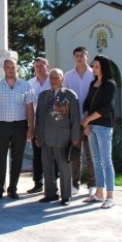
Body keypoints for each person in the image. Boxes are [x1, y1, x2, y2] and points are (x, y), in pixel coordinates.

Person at [0, 58, 35, 201]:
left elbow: (30, 108)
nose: (10, 69)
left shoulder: (25, 85)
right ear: (4, 68)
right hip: (3, 125)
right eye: (8, 67)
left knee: (17, 158)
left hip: (20, 125)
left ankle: (13, 189)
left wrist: (31, 127)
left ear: (17, 68)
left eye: (13, 67)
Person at [34, 69, 81, 206]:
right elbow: (38, 118)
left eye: (57, 77)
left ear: (62, 79)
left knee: (64, 168)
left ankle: (66, 196)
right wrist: (37, 135)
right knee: (47, 167)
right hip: (45, 137)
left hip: (63, 138)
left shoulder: (69, 95)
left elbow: (75, 119)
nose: (53, 80)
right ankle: (50, 194)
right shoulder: (43, 95)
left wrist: (75, 137)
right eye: (52, 77)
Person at [81, 55, 117, 209]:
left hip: (103, 127)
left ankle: (110, 196)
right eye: (93, 65)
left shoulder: (110, 85)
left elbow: (105, 108)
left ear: (103, 67)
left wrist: (87, 120)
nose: (93, 68)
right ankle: (99, 193)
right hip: (92, 127)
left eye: (96, 65)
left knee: (106, 161)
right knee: (96, 160)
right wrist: (86, 123)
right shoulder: (92, 84)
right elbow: (86, 103)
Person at [63, 46, 96, 197]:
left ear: (87, 56)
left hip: (91, 120)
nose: (79, 58)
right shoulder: (68, 76)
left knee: (91, 155)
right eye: (76, 55)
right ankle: (75, 184)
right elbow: (64, 99)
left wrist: (88, 119)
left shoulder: (94, 74)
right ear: (73, 58)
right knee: (75, 154)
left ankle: (92, 184)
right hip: (74, 122)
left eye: (82, 55)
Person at [26, 57, 51, 194]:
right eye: (36, 66)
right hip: (36, 124)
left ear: (48, 66)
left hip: (52, 125)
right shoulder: (29, 83)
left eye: (42, 66)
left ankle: (52, 183)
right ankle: (38, 183)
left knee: (52, 155)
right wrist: (29, 127)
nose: (39, 68)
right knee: (37, 155)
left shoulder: (54, 81)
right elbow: (27, 106)